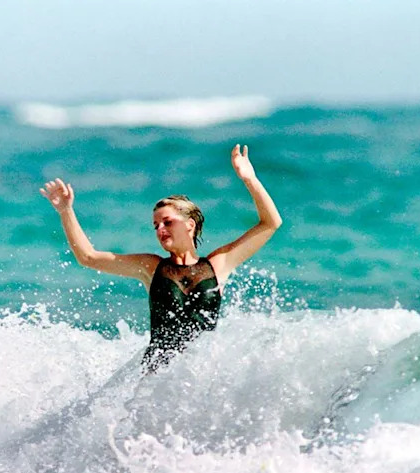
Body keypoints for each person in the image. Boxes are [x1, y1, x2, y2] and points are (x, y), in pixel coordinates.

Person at [41, 144, 282, 371]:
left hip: (201, 379)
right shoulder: (151, 267)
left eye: (167, 222)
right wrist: (66, 211)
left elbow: (271, 223)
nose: (160, 229)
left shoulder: (218, 264)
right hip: (156, 380)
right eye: (155, 225)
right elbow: (88, 257)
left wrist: (249, 180)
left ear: (190, 225)